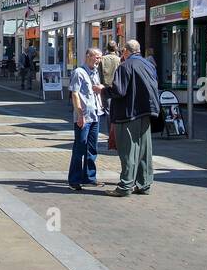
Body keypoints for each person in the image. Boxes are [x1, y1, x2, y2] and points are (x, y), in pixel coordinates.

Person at [108, 39, 161, 197]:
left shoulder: (125, 66)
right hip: (146, 113)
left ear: (125, 51)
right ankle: (144, 184)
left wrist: (102, 90)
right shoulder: (148, 64)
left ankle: (125, 186)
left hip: (128, 114)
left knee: (128, 152)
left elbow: (119, 91)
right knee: (144, 151)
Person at [68, 47, 104, 190]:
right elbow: (75, 94)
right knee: (80, 147)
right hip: (84, 117)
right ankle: (74, 180)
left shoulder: (95, 73)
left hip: (95, 114)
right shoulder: (79, 72)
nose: (98, 60)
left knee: (92, 148)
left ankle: (89, 177)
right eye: (96, 57)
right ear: (88, 56)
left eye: (100, 58)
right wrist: (80, 114)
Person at [98, 42, 121, 137]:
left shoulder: (102, 59)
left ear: (107, 48)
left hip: (106, 87)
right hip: (117, 87)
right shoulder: (119, 59)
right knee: (117, 110)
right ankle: (117, 133)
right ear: (116, 48)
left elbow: (98, 74)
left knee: (108, 111)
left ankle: (110, 134)